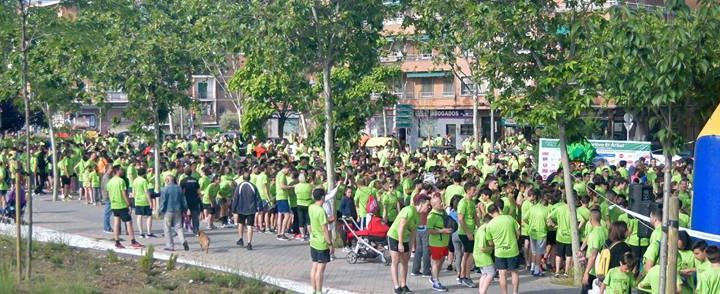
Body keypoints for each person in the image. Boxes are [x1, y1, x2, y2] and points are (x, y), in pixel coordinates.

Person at [388, 194, 431, 294]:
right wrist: (400, 243)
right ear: (421, 203)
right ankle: (396, 287)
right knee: (396, 260)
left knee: (405, 261)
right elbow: (400, 227)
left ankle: (403, 285)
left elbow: (413, 233)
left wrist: (411, 247)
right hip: (394, 236)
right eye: (427, 205)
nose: (429, 207)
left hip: (405, 238)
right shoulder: (409, 210)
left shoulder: (418, 215)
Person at [485, 204, 521, 294]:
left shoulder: (489, 225)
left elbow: (490, 242)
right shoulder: (509, 218)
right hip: (512, 249)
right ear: (498, 209)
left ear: (489, 214)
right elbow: (518, 232)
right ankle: (515, 292)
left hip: (499, 252)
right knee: (514, 272)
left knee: (502, 274)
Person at [107, 165, 143, 249]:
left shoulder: (110, 182)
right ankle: (133, 241)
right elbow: (124, 194)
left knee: (116, 222)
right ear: (117, 171)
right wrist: (129, 204)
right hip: (122, 204)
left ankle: (117, 241)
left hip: (114, 204)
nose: (122, 171)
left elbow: (109, 194)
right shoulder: (121, 181)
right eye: (121, 170)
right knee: (129, 223)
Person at [309, 188, 332, 294]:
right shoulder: (321, 211)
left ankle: (313, 289)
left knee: (314, 266)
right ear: (322, 197)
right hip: (321, 242)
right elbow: (325, 229)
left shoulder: (311, 207)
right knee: (320, 270)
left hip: (313, 240)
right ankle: (319, 291)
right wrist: (330, 244)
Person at [426, 195, 451, 292]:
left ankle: (434, 277)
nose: (442, 203)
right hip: (436, 243)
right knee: (436, 262)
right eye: (440, 203)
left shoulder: (443, 212)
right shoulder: (431, 216)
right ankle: (436, 282)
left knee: (441, 261)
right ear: (433, 205)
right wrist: (442, 231)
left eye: (441, 201)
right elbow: (429, 231)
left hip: (444, 242)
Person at [231, 171, 261, 250]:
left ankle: (241, 239)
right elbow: (258, 198)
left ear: (243, 178)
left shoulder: (240, 186)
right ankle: (249, 243)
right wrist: (260, 208)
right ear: (250, 178)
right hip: (251, 209)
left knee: (240, 223)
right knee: (250, 226)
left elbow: (235, 198)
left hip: (241, 208)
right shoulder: (253, 186)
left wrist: (233, 209)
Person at [582, 208, 608, 294]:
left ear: (590, 219)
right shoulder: (606, 231)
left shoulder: (594, 233)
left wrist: (586, 273)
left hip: (593, 270)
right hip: (603, 268)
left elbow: (593, 255)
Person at [159, 174, 189, 251]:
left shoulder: (165, 189)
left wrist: (160, 211)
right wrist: (185, 208)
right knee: (179, 227)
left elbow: (163, 201)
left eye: (166, 180)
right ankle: (183, 241)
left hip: (168, 210)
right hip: (178, 210)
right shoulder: (179, 188)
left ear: (167, 181)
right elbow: (183, 200)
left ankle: (170, 246)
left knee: (167, 228)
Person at [456, 182, 477, 288]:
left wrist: (480, 227)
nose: (475, 191)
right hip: (465, 232)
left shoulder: (472, 202)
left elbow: (475, 216)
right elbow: (460, 218)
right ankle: (466, 277)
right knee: (470, 254)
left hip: (472, 231)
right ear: (468, 190)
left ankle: (462, 275)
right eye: (473, 190)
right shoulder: (463, 202)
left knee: (467, 254)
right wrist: (468, 232)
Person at [523, 192, 549, 277]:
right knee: (538, 253)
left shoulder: (532, 208)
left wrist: (530, 223)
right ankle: (537, 270)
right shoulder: (546, 210)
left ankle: (533, 267)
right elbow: (549, 223)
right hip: (541, 233)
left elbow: (525, 218)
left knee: (534, 251)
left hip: (532, 232)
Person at [474, 214, 495, 294]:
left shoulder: (480, 228)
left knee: (484, 274)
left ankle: (481, 291)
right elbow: (482, 248)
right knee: (491, 273)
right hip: (483, 256)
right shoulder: (484, 230)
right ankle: (483, 292)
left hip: (478, 255)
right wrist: (493, 247)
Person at [132, 168, 155, 238]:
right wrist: (150, 202)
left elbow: (133, 192)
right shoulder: (144, 181)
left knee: (139, 216)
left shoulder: (135, 180)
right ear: (144, 174)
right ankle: (148, 233)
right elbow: (146, 192)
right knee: (149, 216)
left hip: (137, 201)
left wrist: (135, 198)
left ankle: (141, 233)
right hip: (145, 201)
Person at [179, 168, 201, 235]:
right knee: (195, 216)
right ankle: (196, 230)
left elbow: (181, 192)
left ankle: (181, 230)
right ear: (191, 173)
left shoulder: (183, 181)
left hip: (186, 200)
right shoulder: (195, 180)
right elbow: (198, 191)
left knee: (183, 215)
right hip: (194, 200)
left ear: (185, 173)